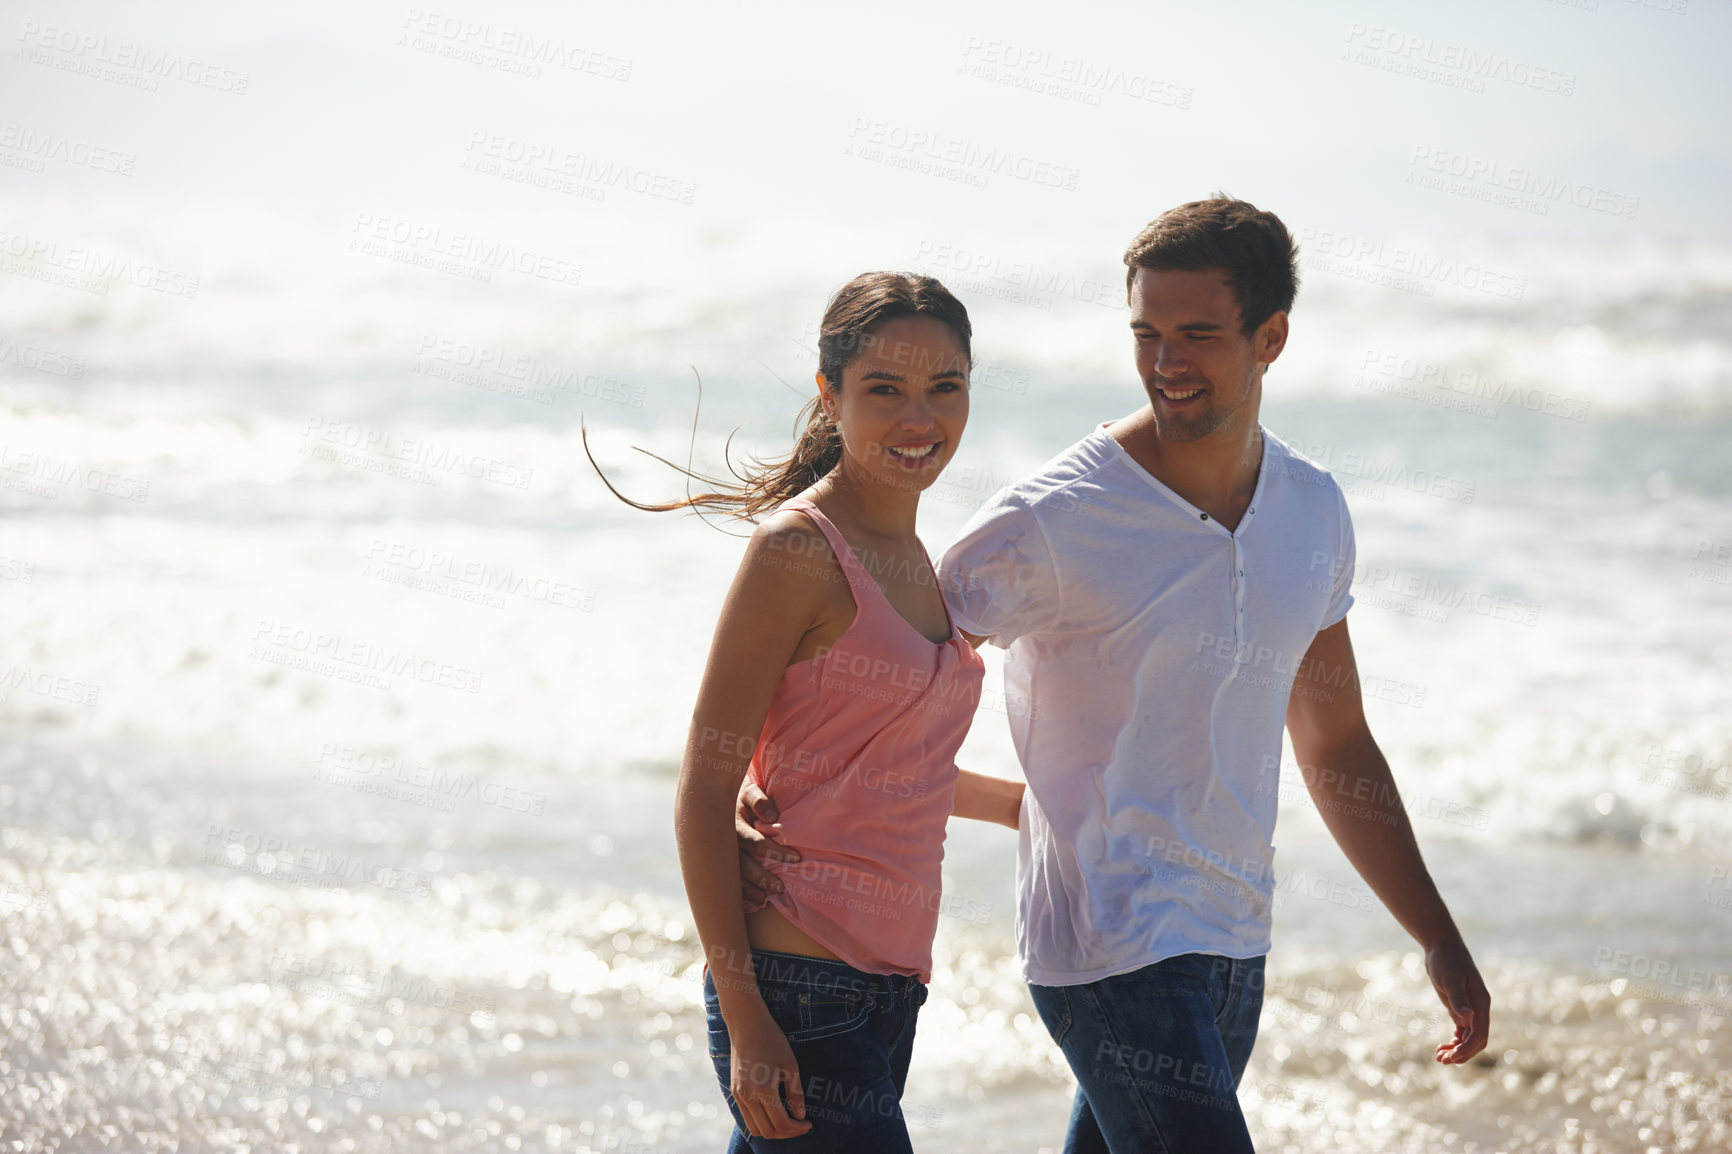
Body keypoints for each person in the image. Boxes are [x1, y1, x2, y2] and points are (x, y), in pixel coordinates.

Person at [740, 198, 1491, 1152]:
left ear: (1272, 338)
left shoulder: (1313, 510)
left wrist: (1436, 932)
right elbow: (867, 659)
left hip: (1235, 936)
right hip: (1105, 937)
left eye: (1198, 335)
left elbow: (1336, 741)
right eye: (1147, 333)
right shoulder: (1058, 518)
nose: (1167, 362)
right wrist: (756, 778)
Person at [591, 271, 1022, 1151]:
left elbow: (891, 773)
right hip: (798, 985)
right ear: (831, 396)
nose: (920, 419)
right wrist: (745, 1017)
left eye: (946, 387)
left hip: (889, 989)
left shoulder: (910, 554)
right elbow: (703, 789)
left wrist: (1028, 807)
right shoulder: (796, 551)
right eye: (885, 391)